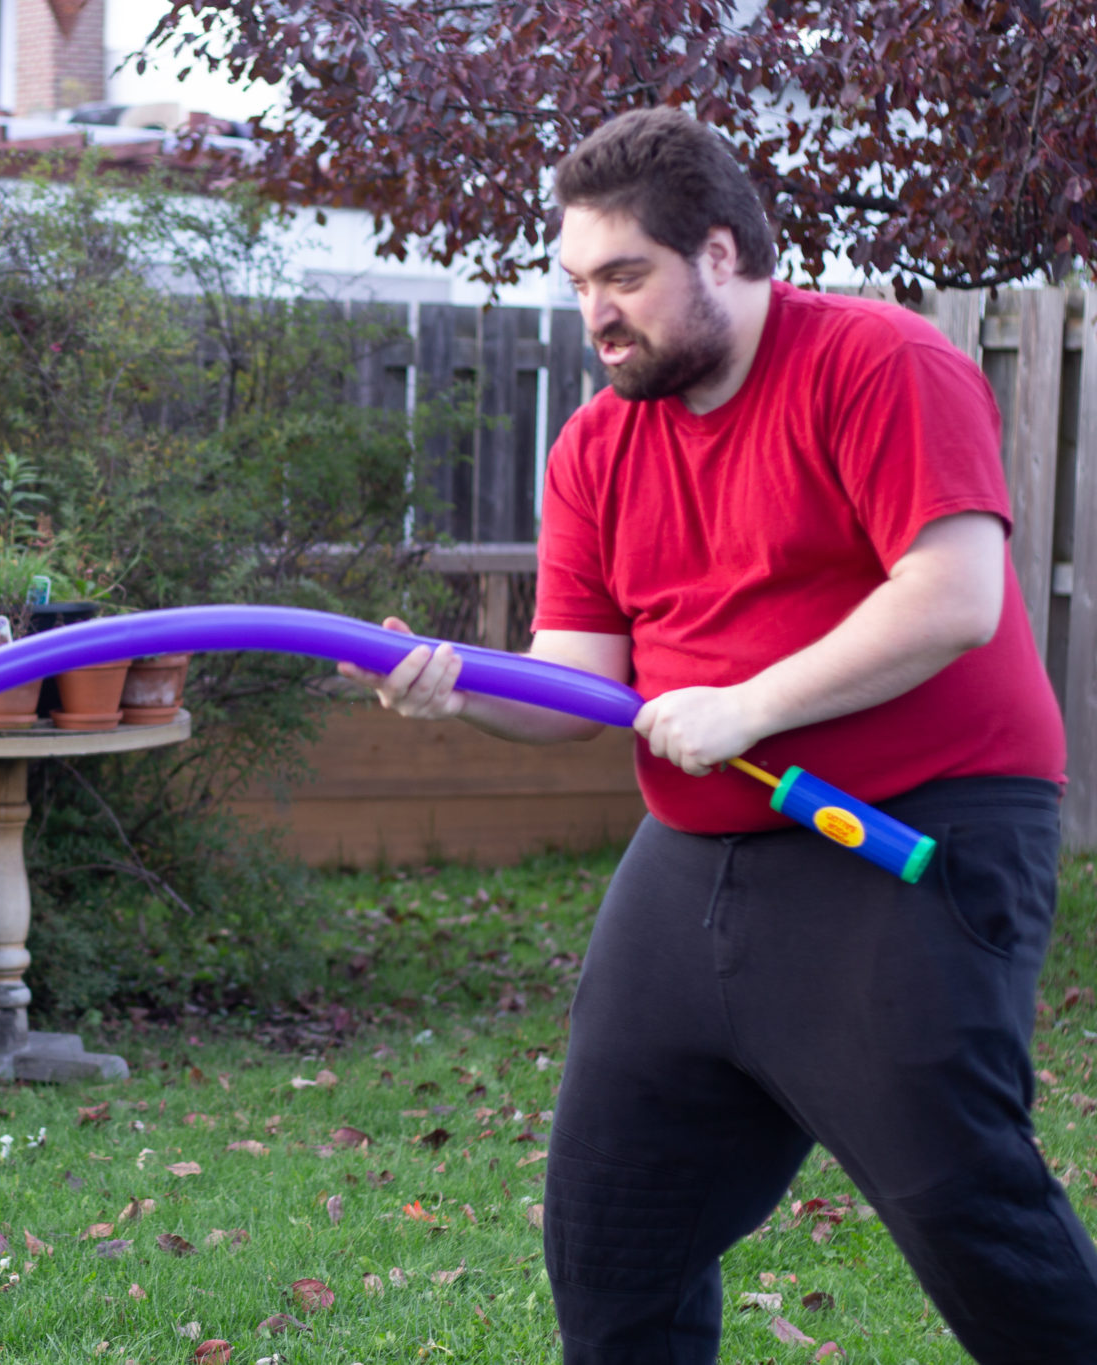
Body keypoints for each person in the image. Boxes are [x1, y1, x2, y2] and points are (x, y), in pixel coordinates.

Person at [344, 108, 1097, 1362]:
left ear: (724, 252)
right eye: (579, 282)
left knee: (967, 1210)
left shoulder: (876, 364)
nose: (597, 315)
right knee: (610, 1239)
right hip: (693, 856)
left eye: (625, 275)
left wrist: (747, 706)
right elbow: (573, 682)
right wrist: (455, 688)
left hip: (913, 830)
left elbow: (951, 597)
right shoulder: (595, 446)